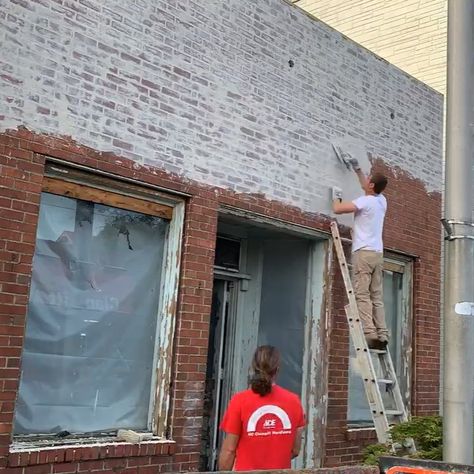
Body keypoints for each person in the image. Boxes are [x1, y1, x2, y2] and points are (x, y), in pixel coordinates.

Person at [218, 345, 305, 471]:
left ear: (253, 368)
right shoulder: (294, 401)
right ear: (277, 369)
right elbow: (296, 450)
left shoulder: (239, 401)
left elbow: (229, 450)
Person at [332, 158, 389, 350]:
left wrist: (336, 196)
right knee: (376, 295)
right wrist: (357, 169)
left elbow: (338, 209)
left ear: (372, 185)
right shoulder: (382, 201)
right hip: (377, 254)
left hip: (363, 253)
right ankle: (382, 333)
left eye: (368, 180)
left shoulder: (365, 201)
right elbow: (366, 185)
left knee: (362, 294)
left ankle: (370, 333)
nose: (366, 182)